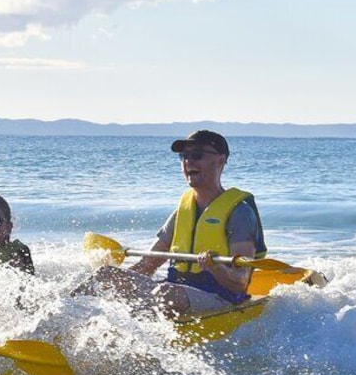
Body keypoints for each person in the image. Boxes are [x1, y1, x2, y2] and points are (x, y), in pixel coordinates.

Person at [75, 130, 267, 317]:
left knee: (164, 293)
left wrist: (216, 267)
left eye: (197, 155)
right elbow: (147, 265)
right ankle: (62, 323)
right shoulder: (183, 212)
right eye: (184, 156)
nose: (188, 161)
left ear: (220, 161)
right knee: (106, 275)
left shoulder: (240, 213)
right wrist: (119, 282)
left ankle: (132, 335)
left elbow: (240, 282)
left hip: (220, 298)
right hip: (177, 290)